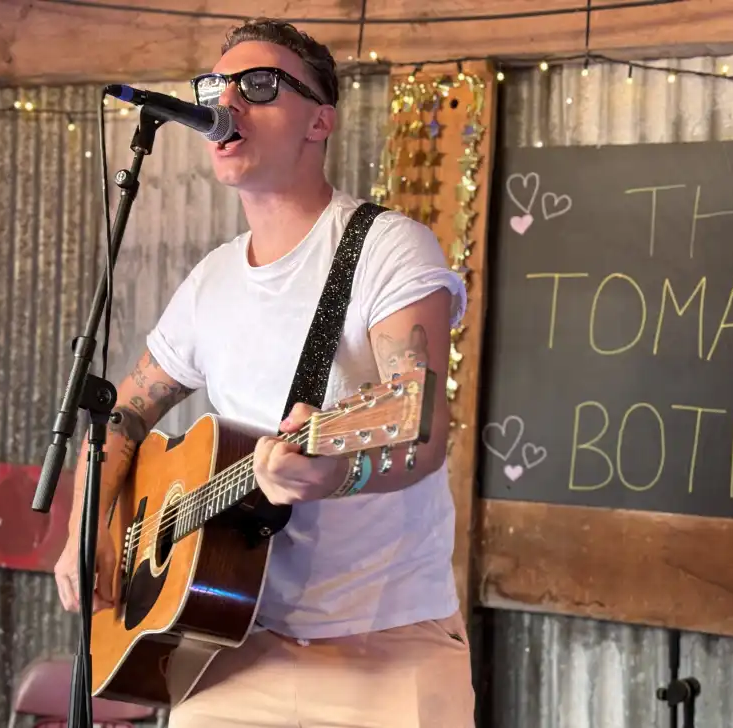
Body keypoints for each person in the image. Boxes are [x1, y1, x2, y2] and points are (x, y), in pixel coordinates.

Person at [52, 16, 474, 728]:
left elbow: (420, 432)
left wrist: (334, 473)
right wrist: (86, 526)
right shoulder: (211, 280)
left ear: (319, 121)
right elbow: (122, 411)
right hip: (233, 645)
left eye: (259, 85)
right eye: (218, 86)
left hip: (390, 651)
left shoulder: (385, 248)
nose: (227, 103)